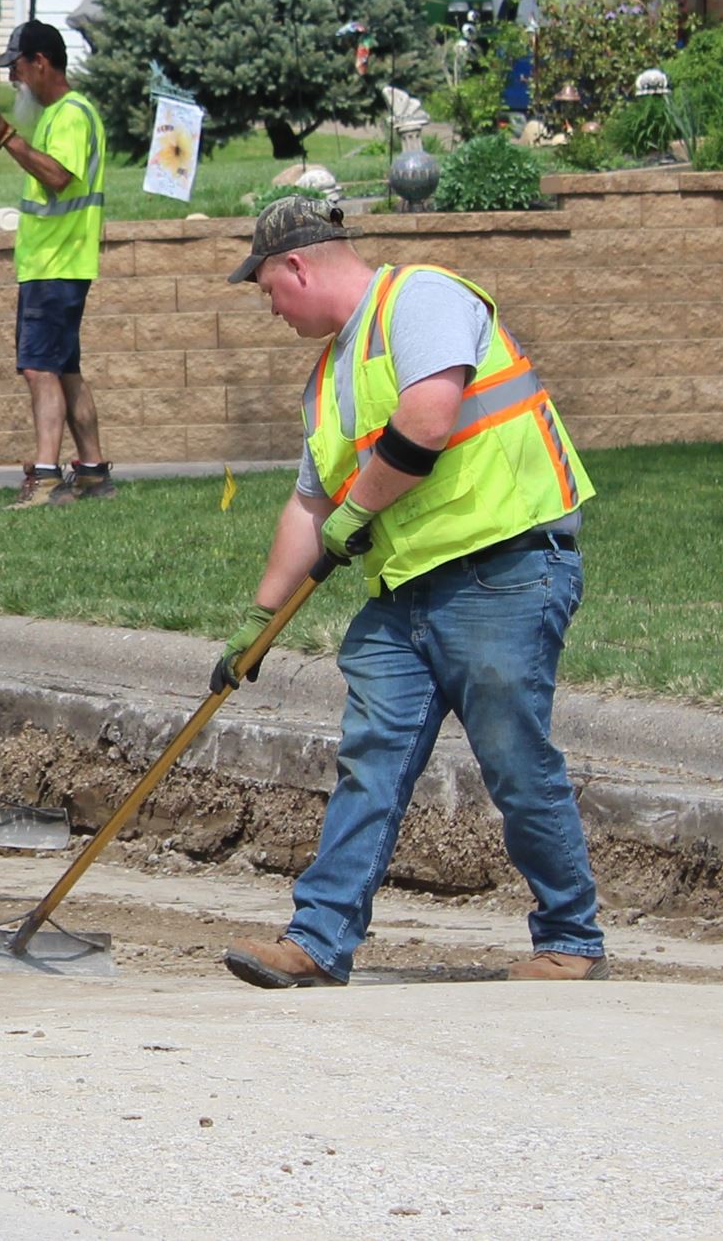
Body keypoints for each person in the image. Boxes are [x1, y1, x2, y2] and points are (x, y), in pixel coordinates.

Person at [215, 197, 604, 987]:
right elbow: (309, 505)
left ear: (296, 264)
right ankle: (317, 940)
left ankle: (571, 938)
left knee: (513, 761)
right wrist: (260, 619)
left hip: (508, 567)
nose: (270, 308)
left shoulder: (420, 299)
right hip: (405, 598)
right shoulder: (327, 383)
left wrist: (361, 508)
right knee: (371, 762)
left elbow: (427, 419)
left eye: (267, 288)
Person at [0, 18, 112, 508]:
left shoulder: (72, 114)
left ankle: (48, 477)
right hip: (56, 263)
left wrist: (9, 138)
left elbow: (57, 175)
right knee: (63, 369)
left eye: (16, 67)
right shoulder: (58, 115)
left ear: (40, 62)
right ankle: (93, 472)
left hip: (57, 264)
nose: (13, 78)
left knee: (39, 368)